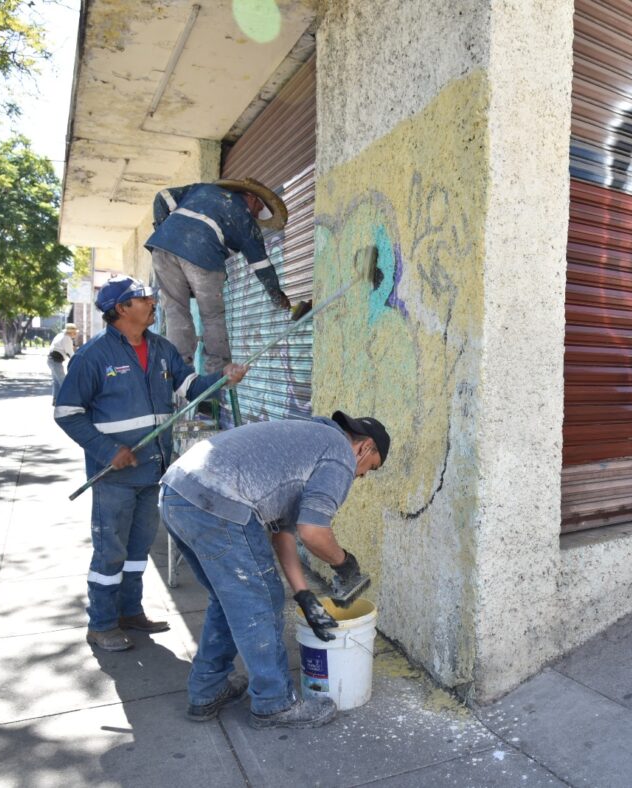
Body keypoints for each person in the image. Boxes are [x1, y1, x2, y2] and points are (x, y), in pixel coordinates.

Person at [158, 411, 390, 729]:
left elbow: (286, 534)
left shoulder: (309, 442)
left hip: (178, 492)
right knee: (261, 603)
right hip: (217, 502)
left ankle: (207, 691)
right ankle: (274, 703)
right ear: (365, 448)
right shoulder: (339, 454)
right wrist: (344, 563)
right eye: (369, 469)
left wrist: (305, 596)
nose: (360, 476)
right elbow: (313, 532)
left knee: (230, 601)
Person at [54, 275, 250, 652]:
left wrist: (222, 379)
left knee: (138, 547)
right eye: (143, 297)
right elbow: (67, 413)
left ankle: (130, 612)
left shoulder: (160, 348)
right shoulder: (93, 356)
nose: (153, 302)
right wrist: (107, 450)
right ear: (121, 309)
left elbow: (191, 386)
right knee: (110, 550)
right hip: (114, 474)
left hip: (154, 468)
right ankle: (102, 623)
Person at [145, 178, 290, 375]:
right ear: (252, 198)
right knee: (212, 316)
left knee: (175, 310)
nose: (256, 216)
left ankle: (177, 368)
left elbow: (162, 197)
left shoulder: (202, 190)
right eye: (257, 211)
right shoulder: (244, 216)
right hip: (203, 254)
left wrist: (165, 231)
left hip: (161, 250)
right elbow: (261, 264)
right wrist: (276, 294)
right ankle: (217, 372)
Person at [47, 323, 79, 403]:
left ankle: (56, 399)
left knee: (56, 381)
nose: (75, 335)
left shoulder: (60, 335)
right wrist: (76, 360)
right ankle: (68, 400)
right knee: (63, 381)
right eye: (74, 333)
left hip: (51, 360)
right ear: (71, 333)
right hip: (56, 360)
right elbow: (70, 352)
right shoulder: (67, 338)